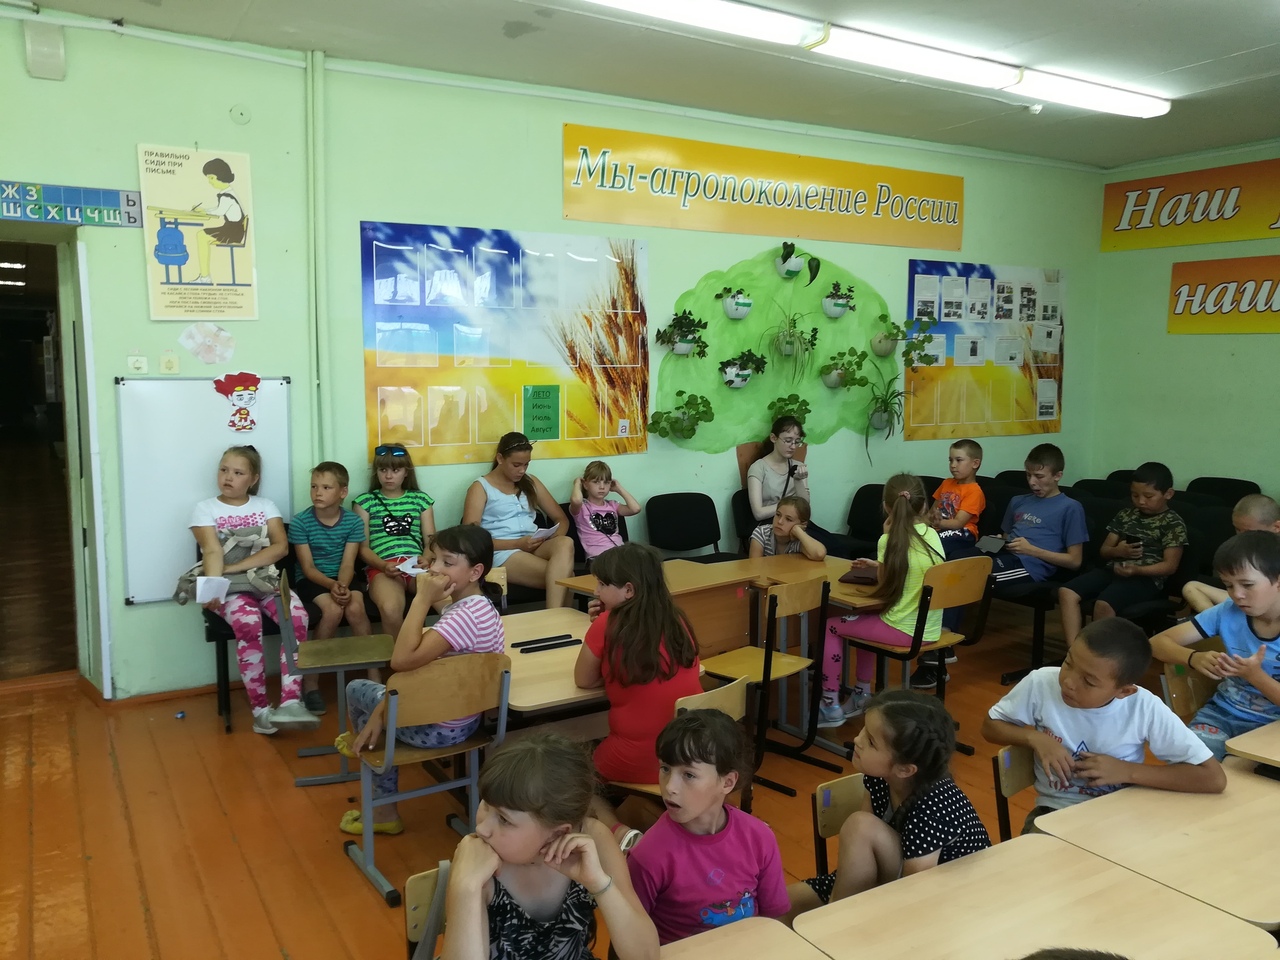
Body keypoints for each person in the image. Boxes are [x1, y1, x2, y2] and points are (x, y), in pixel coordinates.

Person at [335, 525, 505, 836]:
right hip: (468, 721)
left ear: (475, 572)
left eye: (447, 562)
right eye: (434, 559)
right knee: (388, 697)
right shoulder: (483, 608)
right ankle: (373, 731)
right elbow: (423, 674)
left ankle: (381, 801)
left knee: (357, 688)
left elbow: (399, 662)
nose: (434, 569)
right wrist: (382, 710)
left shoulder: (461, 618)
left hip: (434, 728)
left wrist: (422, 600)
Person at [983, 618, 1225, 835]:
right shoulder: (1040, 683)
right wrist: (1035, 739)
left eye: (1088, 681)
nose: (1068, 682)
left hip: (1121, 814)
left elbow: (1213, 778)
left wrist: (1126, 771)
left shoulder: (1144, 707)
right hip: (1055, 813)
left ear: (1124, 691)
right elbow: (990, 726)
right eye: (1068, 662)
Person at [443, 733, 659, 960]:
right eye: (486, 804)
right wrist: (466, 888)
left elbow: (645, 956)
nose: (482, 828)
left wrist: (598, 882)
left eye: (504, 820)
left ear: (559, 832)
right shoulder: (478, 863)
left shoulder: (593, 840)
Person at [786, 691, 989, 922]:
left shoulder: (933, 808)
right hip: (891, 880)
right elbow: (862, 855)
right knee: (776, 907)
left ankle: (835, 925)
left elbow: (917, 896)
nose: (857, 740)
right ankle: (834, 919)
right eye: (864, 730)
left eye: (871, 742)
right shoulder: (878, 777)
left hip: (949, 903)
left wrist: (839, 917)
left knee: (859, 826)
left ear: (905, 769)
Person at [626, 709, 789, 945]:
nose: (669, 787)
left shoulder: (759, 837)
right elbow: (630, 941)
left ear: (727, 782)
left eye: (689, 775)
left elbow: (774, 918)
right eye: (665, 768)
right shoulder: (647, 857)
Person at [188, 446, 317, 735]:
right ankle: (260, 710)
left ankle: (291, 702)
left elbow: (280, 548)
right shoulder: (205, 508)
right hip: (229, 589)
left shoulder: (265, 505)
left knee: (296, 616)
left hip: (265, 582)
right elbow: (212, 551)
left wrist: (234, 567)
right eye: (224, 470)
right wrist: (213, 589)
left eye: (238, 472)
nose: (228, 477)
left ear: (253, 478)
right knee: (248, 622)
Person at [574, 543, 702, 788]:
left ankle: (621, 816)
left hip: (639, 758)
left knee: (579, 777)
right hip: (688, 752)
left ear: (628, 590)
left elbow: (583, 680)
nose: (596, 591)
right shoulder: (677, 618)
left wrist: (602, 624)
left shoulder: (606, 623)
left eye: (602, 584)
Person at [820, 474, 945, 726]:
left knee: (831, 625)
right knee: (866, 618)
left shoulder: (888, 540)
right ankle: (861, 694)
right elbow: (915, 567)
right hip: (930, 628)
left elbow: (886, 585)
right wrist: (881, 563)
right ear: (923, 506)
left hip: (903, 629)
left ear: (887, 507)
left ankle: (830, 704)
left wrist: (884, 549)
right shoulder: (932, 535)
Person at [1151, 531, 1280, 759]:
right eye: (1228, 585)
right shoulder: (1227, 612)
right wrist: (1193, 658)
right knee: (1191, 764)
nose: (1237, 595)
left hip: (1273, 727)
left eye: (1247, 585)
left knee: (1245, 775)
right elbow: (1156, 643)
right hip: (1221, 715)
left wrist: (1255, 676)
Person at [1058, 462, 1187, 646]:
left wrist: (1136, 570)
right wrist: (1118, 551)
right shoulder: (1126, 514)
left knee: (1104, 604)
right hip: (1115, 569)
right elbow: (1104, 551)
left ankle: (1100, 654)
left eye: (1148, 496)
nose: (1141, 501)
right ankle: (1075, 650)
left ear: (1168, 494)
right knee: (1066, 592)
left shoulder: (1173, 523)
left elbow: (1170, 566)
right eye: (1135, 495)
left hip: (1146, 579)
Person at [289, 461, 373, 712]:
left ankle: (373, 677)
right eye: (314, 486)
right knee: (333, 610)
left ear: (342, 492)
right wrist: (332, 586)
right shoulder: (301, 522)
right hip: (313, 580)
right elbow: (308, 568)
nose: (318, 492)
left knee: (356, 609)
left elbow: (348, 563)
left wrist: (343, 585)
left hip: (343, 577)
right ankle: (311, 683)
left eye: (326, 487)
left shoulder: (353, 522)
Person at [463, 432, 575, 607]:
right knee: (568, 577)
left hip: (533, 544)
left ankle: (555, 617)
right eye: (516, 465)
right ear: (500, 458)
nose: (522, 470)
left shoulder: (531, 482)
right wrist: (517, 544)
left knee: (565, 542)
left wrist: (551, 538)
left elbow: (561, 519)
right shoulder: (480, 487)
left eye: (526, 464)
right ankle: (555, 615)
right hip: (502, 551)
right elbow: (471, 539)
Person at [353, 443, 436, 642]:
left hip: (416, 564)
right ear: (376, 472)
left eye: (395, 470)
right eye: (383, 470)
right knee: (390, 608)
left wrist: (425, 559)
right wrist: (383, 565)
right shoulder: (365, 502)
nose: (388, 476)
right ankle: (399, 658)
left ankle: (440, 651)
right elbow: (363, 549)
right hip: (383, 567)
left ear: (406, 472)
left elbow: (431, 542)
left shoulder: (420, 500)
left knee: (446, 597)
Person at [745, 415, 843, 554]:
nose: (792, 446)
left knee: (835, 547)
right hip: (774, 522)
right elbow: (758, 513)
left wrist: (798, 481)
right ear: (773, 438)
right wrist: (786, 509)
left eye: (797, 442)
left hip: (796, 522)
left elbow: (804, 506)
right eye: (788, 441)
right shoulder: (758, 468)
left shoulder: (798, 467)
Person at [1182, 494, 1280, 613]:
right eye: (1237, 529)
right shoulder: (1238, 546)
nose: (1241, 536)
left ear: (1276, 527)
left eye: (1249, 532)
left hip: (1271, 602)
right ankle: (1216, 620)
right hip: (1241, 597)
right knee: (1191, 587)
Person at [189, 157, 247, 285]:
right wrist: (204, 210)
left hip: (232, 232)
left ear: (221, 176)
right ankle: (204, 277)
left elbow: (219, 211)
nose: (210, 182)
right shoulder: (229, 192)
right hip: (233, 229)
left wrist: (204, 211)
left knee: (201, 236)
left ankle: (205, 277)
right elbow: (219, 209)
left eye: (212, 178)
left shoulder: (227, 196)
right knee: (202, 235)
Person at [570, 460, 641, 561]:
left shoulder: (613, 505)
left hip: (619, 553)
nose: (602, 487)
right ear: (586, 485)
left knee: (642, 558)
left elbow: (635, 509)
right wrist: (577, 483)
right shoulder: (582, 507)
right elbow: (576, 500)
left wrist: (619, 488)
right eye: (596, 482)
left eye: (606, 483)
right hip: (597, 557)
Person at [930, 439, 985, 557]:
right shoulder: (946, 483)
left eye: (959, 460)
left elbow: (958, 523)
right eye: (951, 460)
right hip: (940, 528)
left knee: (932, 544)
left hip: (963, 533)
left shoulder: (975, 492)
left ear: (975, 463)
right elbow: (932, 510)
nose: (953, 465)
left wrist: (936, 523)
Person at [748, 495, 827, 560]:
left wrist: (798, 531)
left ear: (802, 524)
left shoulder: (799, 540)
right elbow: (755, 567)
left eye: (788, 519)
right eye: (778, 515)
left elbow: (819, 554)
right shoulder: (762, 533)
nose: (780, 522)